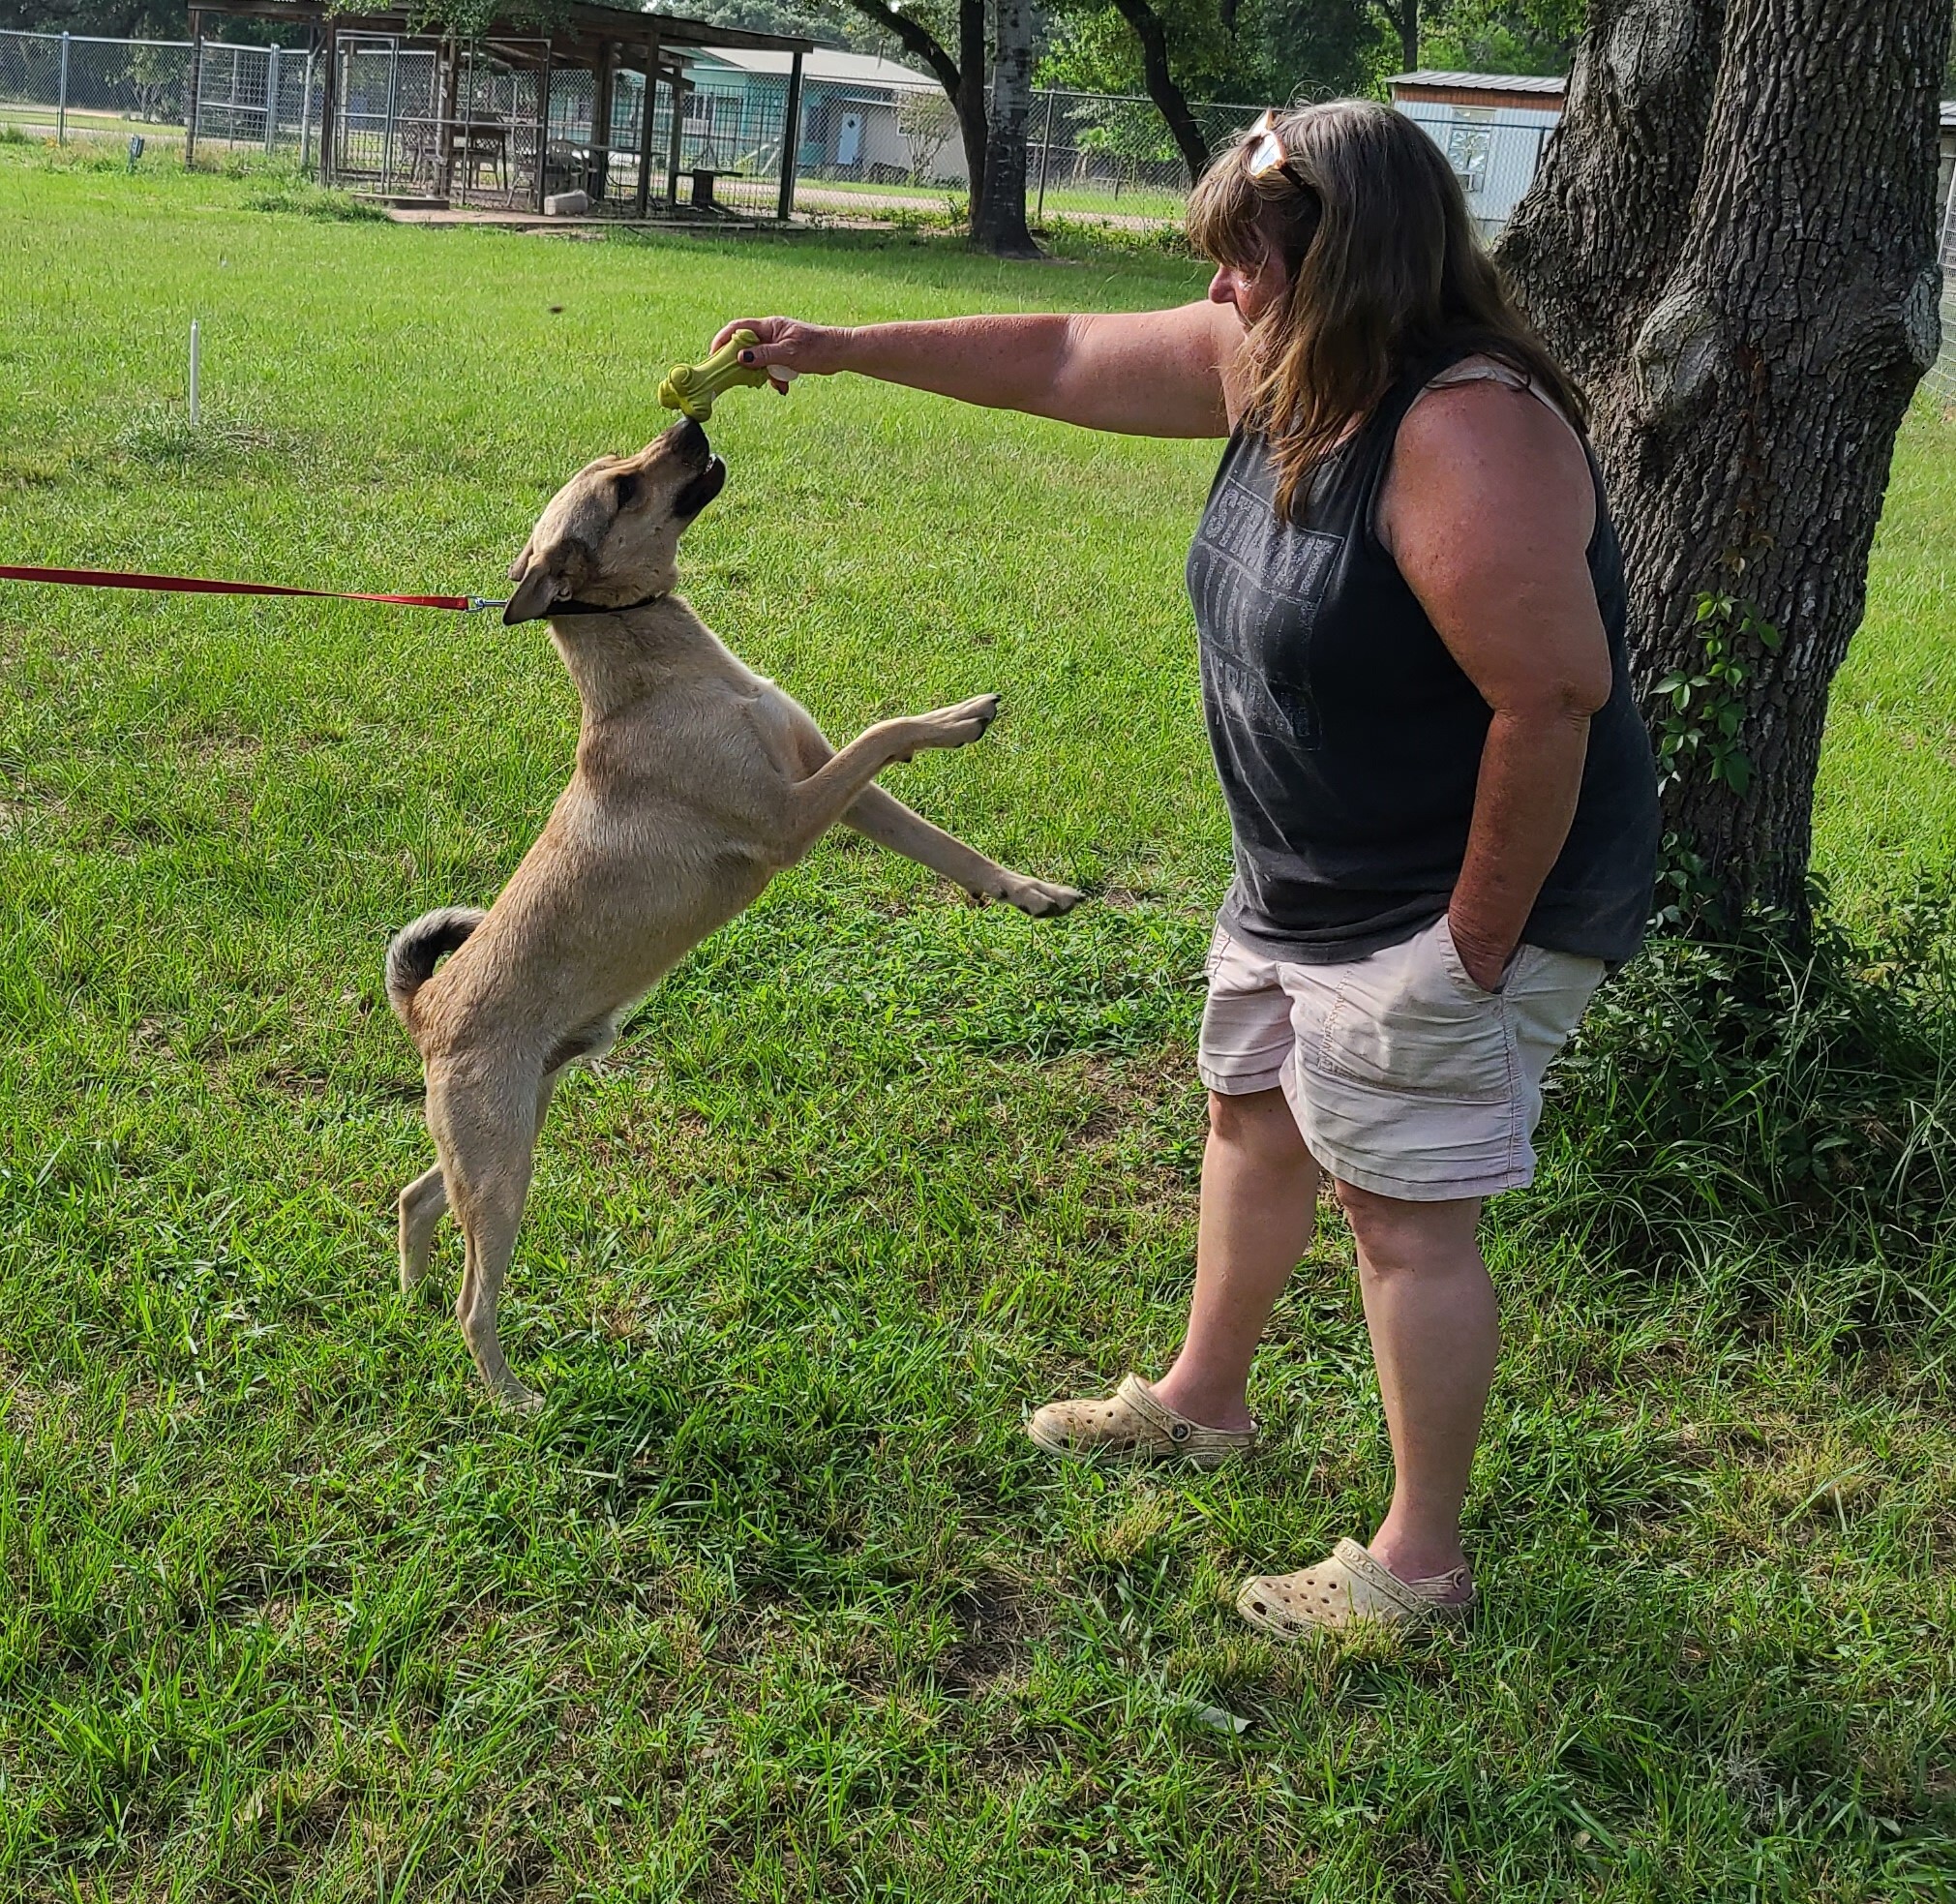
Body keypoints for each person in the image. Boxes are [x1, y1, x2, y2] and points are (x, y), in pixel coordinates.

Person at [713, 99, 1658, 1638]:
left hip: (1454, 898)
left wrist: (1470, 949)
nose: (1219, 292)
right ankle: (1201, 1402)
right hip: (1308, 874)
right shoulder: (1282, 363)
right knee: (1249, 1116)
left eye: (1246, 262)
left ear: (1342, 264)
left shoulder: (1460, 427)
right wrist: (839, 342)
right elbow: (1064, 353)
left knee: (1402, 1211)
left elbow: (1547, 702)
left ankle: (1418, 1565)